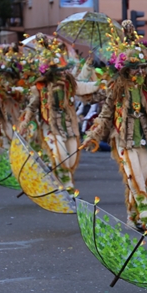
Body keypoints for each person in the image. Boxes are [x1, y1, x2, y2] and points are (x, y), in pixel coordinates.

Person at [84, 22, 147, 234]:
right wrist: (93, 135)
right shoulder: (116, 89)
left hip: (146, 139)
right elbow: (105, 114)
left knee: (143, 177)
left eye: (142, 67)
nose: (140, 72)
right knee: (134, 177)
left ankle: (132, 218)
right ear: (125, 70)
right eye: (135, 68)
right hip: (124, 139)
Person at [20, 35, 100, 191]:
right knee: (61, 155)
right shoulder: (40, 87)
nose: (63, 74)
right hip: (50, 126)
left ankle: (61, 180)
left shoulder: (70, 84)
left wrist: (98, 81)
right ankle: (67, 186)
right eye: (60, 72)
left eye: (64, 71)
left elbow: (84, 86)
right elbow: (32, 105)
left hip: (69, 126)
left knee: (71, 158)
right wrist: (26, 119)